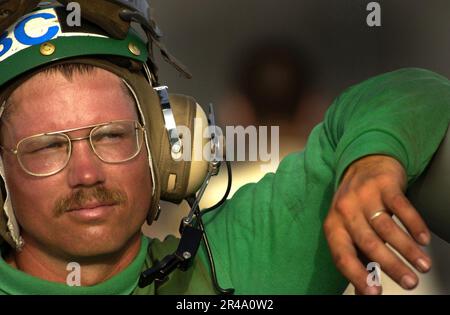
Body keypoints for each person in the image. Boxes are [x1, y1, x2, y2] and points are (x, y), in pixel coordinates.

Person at [0, 1, 448, 295]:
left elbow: (413, 92)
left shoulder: (237, 262)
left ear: (166, 148)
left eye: (112, 136)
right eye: (47, 148)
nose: (87, 173)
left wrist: (369, 160)